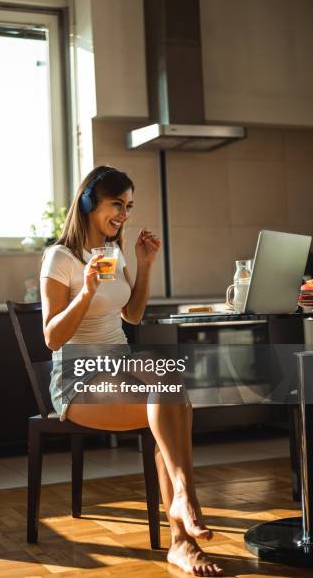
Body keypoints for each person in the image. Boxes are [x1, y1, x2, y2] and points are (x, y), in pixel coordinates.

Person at [40, 166, 223, 577]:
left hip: (120, 362)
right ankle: (184, 523)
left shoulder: (114, 252)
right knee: (171, 404)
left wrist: (144, 263)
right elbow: (52, 338)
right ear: (89, 203)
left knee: (169, 385)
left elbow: (133, 315)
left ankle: (182, 520)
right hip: (79, 376)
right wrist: (85, 291)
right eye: (116, 204)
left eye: (129, 206)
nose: (124, 214)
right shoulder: (60, 258)